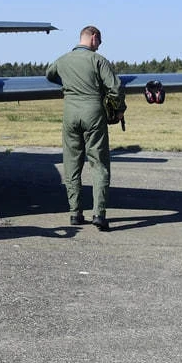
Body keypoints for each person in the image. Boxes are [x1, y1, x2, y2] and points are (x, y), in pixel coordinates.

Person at [45, 25, 124, 231]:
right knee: (99, 164)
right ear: (94, 38)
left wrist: (67, 83)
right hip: (93, 114)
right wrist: (119, 109)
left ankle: (75, 213)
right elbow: (115, 87)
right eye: (100, 41)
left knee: (72, 164)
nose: (100, 45)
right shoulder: (98, 60)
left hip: (70, 114)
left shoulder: (63, 60)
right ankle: (99, 213)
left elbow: (49, 74)